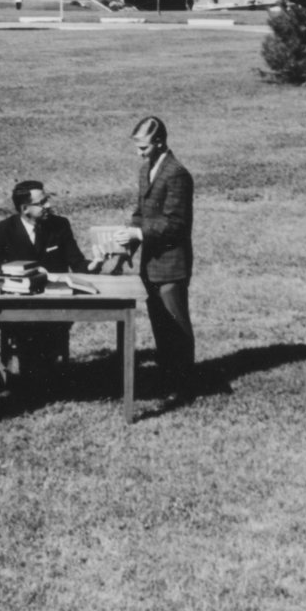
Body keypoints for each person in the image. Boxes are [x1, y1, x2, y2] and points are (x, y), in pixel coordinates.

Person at [0, 180, 88, 387]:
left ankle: (40, 375)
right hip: (21, 305)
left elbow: (78, 263)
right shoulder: (6, 229)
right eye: (41, 202)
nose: (48, 206)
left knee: (43, 345)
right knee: (29, 339)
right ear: (25, 208)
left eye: (47, 200)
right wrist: (17, 270)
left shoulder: (60, 225)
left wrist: (98, 265)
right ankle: (36, 376)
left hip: (56, 304)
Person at [118, 115, 195, 399]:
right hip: (150, 263)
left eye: (144, 148)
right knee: (159, 323)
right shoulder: (146, 170)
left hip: (171, 263)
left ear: (160, 142)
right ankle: (168, 378)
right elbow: (141, 214)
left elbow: (176, 223)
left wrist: (138, 235)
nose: (140, 154)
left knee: (176, 324)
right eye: (137, 148)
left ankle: (185, 384)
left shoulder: (176, 173)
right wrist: (127, 245)